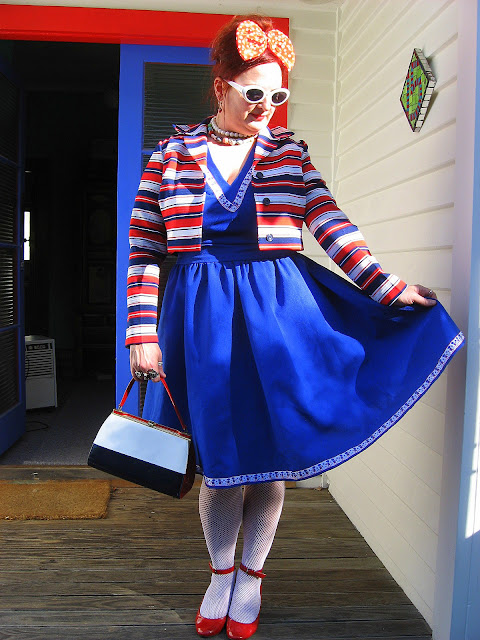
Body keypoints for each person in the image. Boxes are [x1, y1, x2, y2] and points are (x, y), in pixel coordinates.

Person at [126, 15, 463, 640]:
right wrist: (141, 333)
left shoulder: (289, 152)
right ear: (221, 87)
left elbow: (332, 225)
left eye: (278, 94)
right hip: (200, 318)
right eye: (254, 92)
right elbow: (145, 249)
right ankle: (220, 574)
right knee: (222, 460)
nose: (267, 106)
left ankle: (252, 577)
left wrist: (388, 288)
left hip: (279, 314)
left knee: (270, 455)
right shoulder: (170, 154)